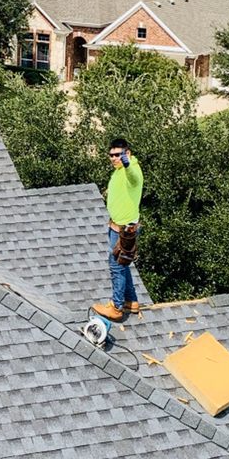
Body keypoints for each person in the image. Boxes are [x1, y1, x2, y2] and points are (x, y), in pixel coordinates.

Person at [92, 137, 144, 322]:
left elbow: (134, 178)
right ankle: (132, 301)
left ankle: (116, 307)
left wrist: (127, 164)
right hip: (117, 225)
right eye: (111, 155)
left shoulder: (132, 170)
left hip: (124, 229)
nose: (114, 159)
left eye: (118, 155)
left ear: (127, 153)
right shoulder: (118, 171)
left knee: (115, 266)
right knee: (123, 263)